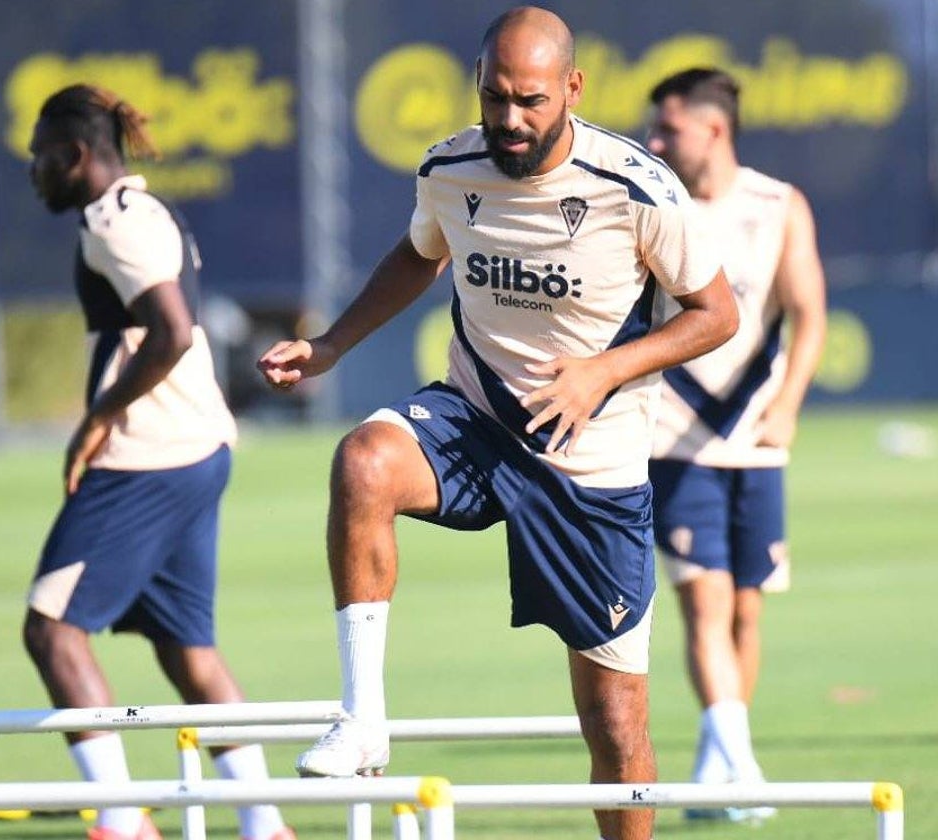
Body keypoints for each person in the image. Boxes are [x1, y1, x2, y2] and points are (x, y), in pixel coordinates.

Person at [257, 8, 738, 840]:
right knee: (365, 461)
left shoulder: (637, 188)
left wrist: (604, 371)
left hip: (591, 466)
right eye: (493, 97)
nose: (509, 119)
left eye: (530, 100)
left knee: (617, 726)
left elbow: (717, 314)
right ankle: (363, 717)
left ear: (572, 90)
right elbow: (421, 252)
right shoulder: (450, 166)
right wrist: (331, 344)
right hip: (475, 420)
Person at [23, 84, 296, 840]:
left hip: (150, 455)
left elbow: (172, 332)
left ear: (77, 156)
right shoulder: (147, 210)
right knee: (188, 650)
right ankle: (264, 826)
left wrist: (98, 421)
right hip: (196, 448)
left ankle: (123, 823)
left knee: (52, 631)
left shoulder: (116, 224)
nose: (33, 169)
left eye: (41, 156)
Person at [644, 68, 828, 822]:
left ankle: (716, 766)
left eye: (668, 130)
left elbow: (810, 313)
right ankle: (746, 769)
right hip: (671, 435)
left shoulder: (777, 205)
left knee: (747, 611)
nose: (654, 142)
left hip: (755, 436)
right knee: (704, 603)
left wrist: (787, 404)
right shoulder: (653, 204)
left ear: (713, 129)